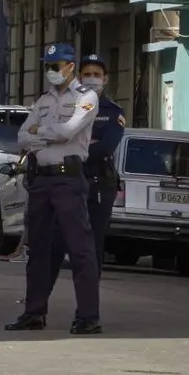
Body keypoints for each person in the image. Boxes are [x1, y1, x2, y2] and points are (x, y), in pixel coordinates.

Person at [5, 43, 102, 335]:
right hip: (41, 179)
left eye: (55, 65)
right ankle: (34, 313)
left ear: (70, 67)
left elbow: (68, 131)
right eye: (48, 65)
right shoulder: (44, 100)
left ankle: (88, 317)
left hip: (68, 178)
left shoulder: (86, 97)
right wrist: (46, 135)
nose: (50, 70)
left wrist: (41, 133)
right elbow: (22, 137)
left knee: (80, 249)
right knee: (38, 249)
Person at [78, 54, 126, 276]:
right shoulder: (67, 106)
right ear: (79, 78)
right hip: (69, 180)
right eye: (87, 74)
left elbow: (106, 147)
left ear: (105, 79)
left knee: (93, 239)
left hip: (99, 183)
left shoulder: (113, 112)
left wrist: (72, 149)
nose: (92, 79)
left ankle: (89, 288)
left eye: (97, 75)